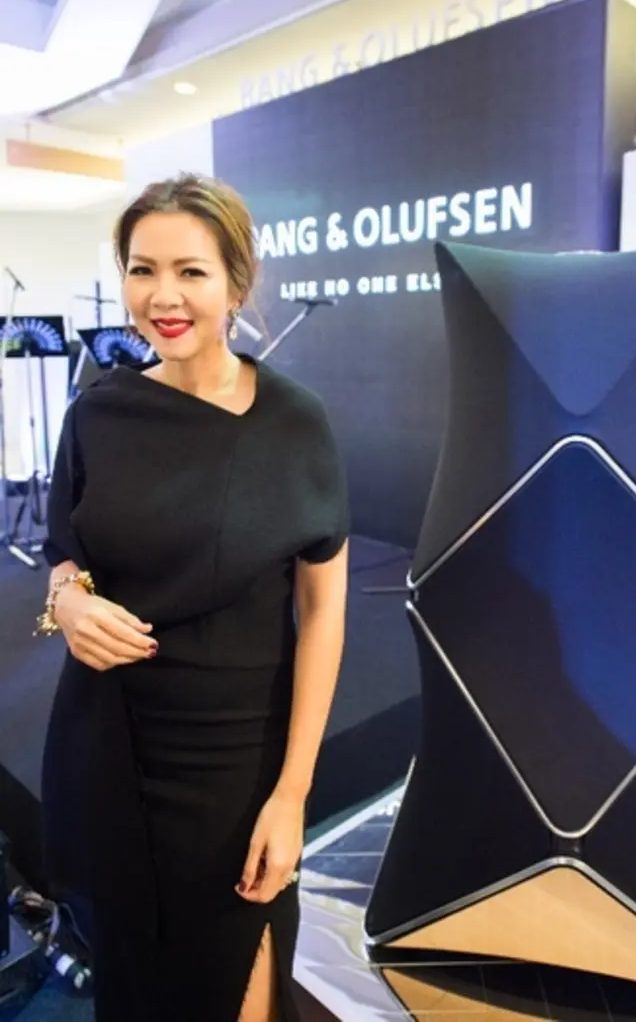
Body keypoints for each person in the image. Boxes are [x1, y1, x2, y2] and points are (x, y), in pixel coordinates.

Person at [37, 174, 349, 1022]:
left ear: (236, 284)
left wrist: (291, 794)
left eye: (191, 272)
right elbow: (66, 558)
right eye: (142, 269)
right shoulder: (97, 412)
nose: (162, 297)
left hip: (233, 764)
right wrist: (68, 604)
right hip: (110, 745)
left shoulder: (295, 421)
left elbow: (324, 611)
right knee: (134, 983)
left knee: (237, 982)